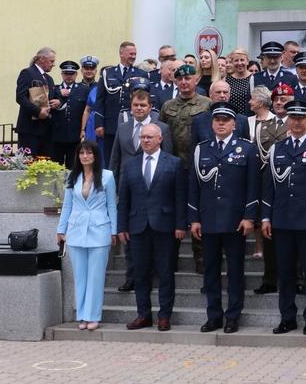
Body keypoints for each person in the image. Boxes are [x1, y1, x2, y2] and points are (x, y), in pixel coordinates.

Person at [261, 100, 306, 336]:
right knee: (285, 273)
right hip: (282, 219)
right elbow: (268, 187)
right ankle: (287, 318)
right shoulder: (277, 149)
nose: (296, 123)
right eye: (292, 118)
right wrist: (265, 217)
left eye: (300, 118)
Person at [189, 102, 259, 334]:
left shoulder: (247, 149)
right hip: (208, 220)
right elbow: (194, 186)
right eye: (217, 119)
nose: (221, 123)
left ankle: (232, 316)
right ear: (211, 123)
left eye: (225, 120)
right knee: (210, 271)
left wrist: (249, 216)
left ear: (234, 124)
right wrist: (194, 218)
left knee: (235, 271)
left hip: (235, 220)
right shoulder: (202, 149)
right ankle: (214, 315)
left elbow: (252, 187)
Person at [117, 124, 187, 332]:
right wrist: (122, 226)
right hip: (137, 226)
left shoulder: (174, 163)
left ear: (160, 139)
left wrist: (180, 225)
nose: (145, 140)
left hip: (165, 226)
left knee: (165, 273)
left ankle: (164, 316)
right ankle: (143, 314)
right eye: (142, 137)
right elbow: (124, 199)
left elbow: (180, 197)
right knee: (140, 273)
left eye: (149, 137)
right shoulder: (130, 165)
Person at [109, 90, 172, 292]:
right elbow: (115, 160)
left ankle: (152, 276)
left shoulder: (162, 128)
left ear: (150, 107)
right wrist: (114, 188)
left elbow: (168, 159)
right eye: (136, 105)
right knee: (130, 235)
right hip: (129, 189)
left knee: (153, 234)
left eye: (143, 105)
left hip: (155, 188)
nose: (139, 109)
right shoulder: (123, 128)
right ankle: (131, 276)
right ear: (131, 106)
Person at [56, 140, 117, 331]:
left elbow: (111, 206)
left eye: (89, 153)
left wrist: (114, 230)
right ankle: (82, 315)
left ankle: (93, 315)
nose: (85, 156)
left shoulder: (107, 176)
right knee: (80, 276)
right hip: (76, 230)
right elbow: (67, 205)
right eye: (82, 153)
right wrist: (61, 229)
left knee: (96, 276)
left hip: (99, 230)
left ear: (95, 155)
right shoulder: (72, 177)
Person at [158, 64, 212, 273]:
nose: (184, 82)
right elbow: (161, 134)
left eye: (188, 79)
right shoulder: (167, 105)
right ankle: (172, 257)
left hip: (198, 166)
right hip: (173, 166)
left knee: (198, 211)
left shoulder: (207, 104)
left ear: (196, 80)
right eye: (180, 79)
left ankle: (201, 258)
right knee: (174, 211)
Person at [251, 85, 287, 293]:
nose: (280, 103)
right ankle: (270, 278)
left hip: (292, 184)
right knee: (268, 233)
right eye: (276, 100)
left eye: (284, 99)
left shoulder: (298, 122)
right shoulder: (263, 125)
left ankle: (297, 278)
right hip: (268, 183)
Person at [94, 41, 149, 166]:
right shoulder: (108, 73)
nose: (133, 57)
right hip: (111, 125)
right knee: (110, 160)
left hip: (132, 124)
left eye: (135, 54)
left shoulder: (141, 74)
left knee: (131, 160)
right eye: (130, 54)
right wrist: (99, 124)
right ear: (121, 54)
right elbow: (100, 100)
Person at [15, 47, 60, 156]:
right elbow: (20, 97)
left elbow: (50, 98)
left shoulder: (49, 79)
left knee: (44, 166)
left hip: (46, 130)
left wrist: (57, 103)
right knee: (28, 164)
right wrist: (37, 111)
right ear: (42, 59)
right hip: (30, 129)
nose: (53, 64)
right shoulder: (27, 73)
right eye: (51, 61)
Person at [190, 80, 250, 148]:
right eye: (218, 92)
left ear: (229, 94)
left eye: (225, 92)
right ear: (210, 95)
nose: (222, 95)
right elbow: (194, 150)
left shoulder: (242, 120)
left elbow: (246, 148)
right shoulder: (199, 120)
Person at [52, 60, 90, 167]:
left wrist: (83, 130)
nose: (69, 76)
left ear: (76, 74)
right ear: (62, 74)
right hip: (56, 136)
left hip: (75, 136)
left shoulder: (84, 90)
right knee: (55, 168)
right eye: (66, 73)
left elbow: (86, 111)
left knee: (73, 167)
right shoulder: (54, 89)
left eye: (71, 73)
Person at [79, 56, 103, 155]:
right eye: (86, 68)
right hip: (79, 130)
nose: (89, 71)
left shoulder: (99, 88)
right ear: (82, 70)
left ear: (96, 71)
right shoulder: (76, 88)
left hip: (95, 127)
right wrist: (82, 130)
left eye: (92, 68)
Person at [226, 47, 254, 115]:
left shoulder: (254, 78)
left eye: (242, 60)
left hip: (250, 118)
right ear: (232, 62)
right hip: (232, 118)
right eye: (236, 60)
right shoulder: (227, 80)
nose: (239, 63)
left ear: (247, 61)